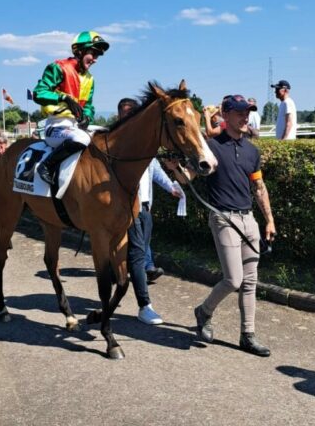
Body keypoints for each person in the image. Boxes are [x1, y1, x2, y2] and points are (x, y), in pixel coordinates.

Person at [192, 94, 276, 356]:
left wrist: (269, 220)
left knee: (251, 281)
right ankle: (204, 311)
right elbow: (191, 175)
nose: (245, 117)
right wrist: (178, 171)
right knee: (234, 279)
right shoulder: (211, 146)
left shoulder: (252, 150)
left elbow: (259, 187)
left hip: (248, 218)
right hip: (223, 217)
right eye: (240, 112)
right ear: (225, 116)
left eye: (247, 112)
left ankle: (247, 335)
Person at [118, 98, 184, 325]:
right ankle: (144, 305)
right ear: (119, 117)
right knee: (138, 255)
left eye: (133, 114)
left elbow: (153, 169)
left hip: (146, 207)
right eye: (126, 114)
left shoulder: (145, 144)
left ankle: (117, 286)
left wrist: (171, 187)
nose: (130, 118)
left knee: (140, 251)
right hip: (128, 208)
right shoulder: (119, 145)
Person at [33, 31, 109, 184]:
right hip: (56, 126)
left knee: (106, 134)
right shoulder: (58, 67)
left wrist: (87, 116)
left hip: (75, 126)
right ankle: (46, 166)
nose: (95, 60)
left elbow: (88, 105)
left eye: (98, 56)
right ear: (79, 51)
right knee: (82, 138)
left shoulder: (90, 79)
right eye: (93, 53)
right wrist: (64, 98)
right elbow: (38, 93)